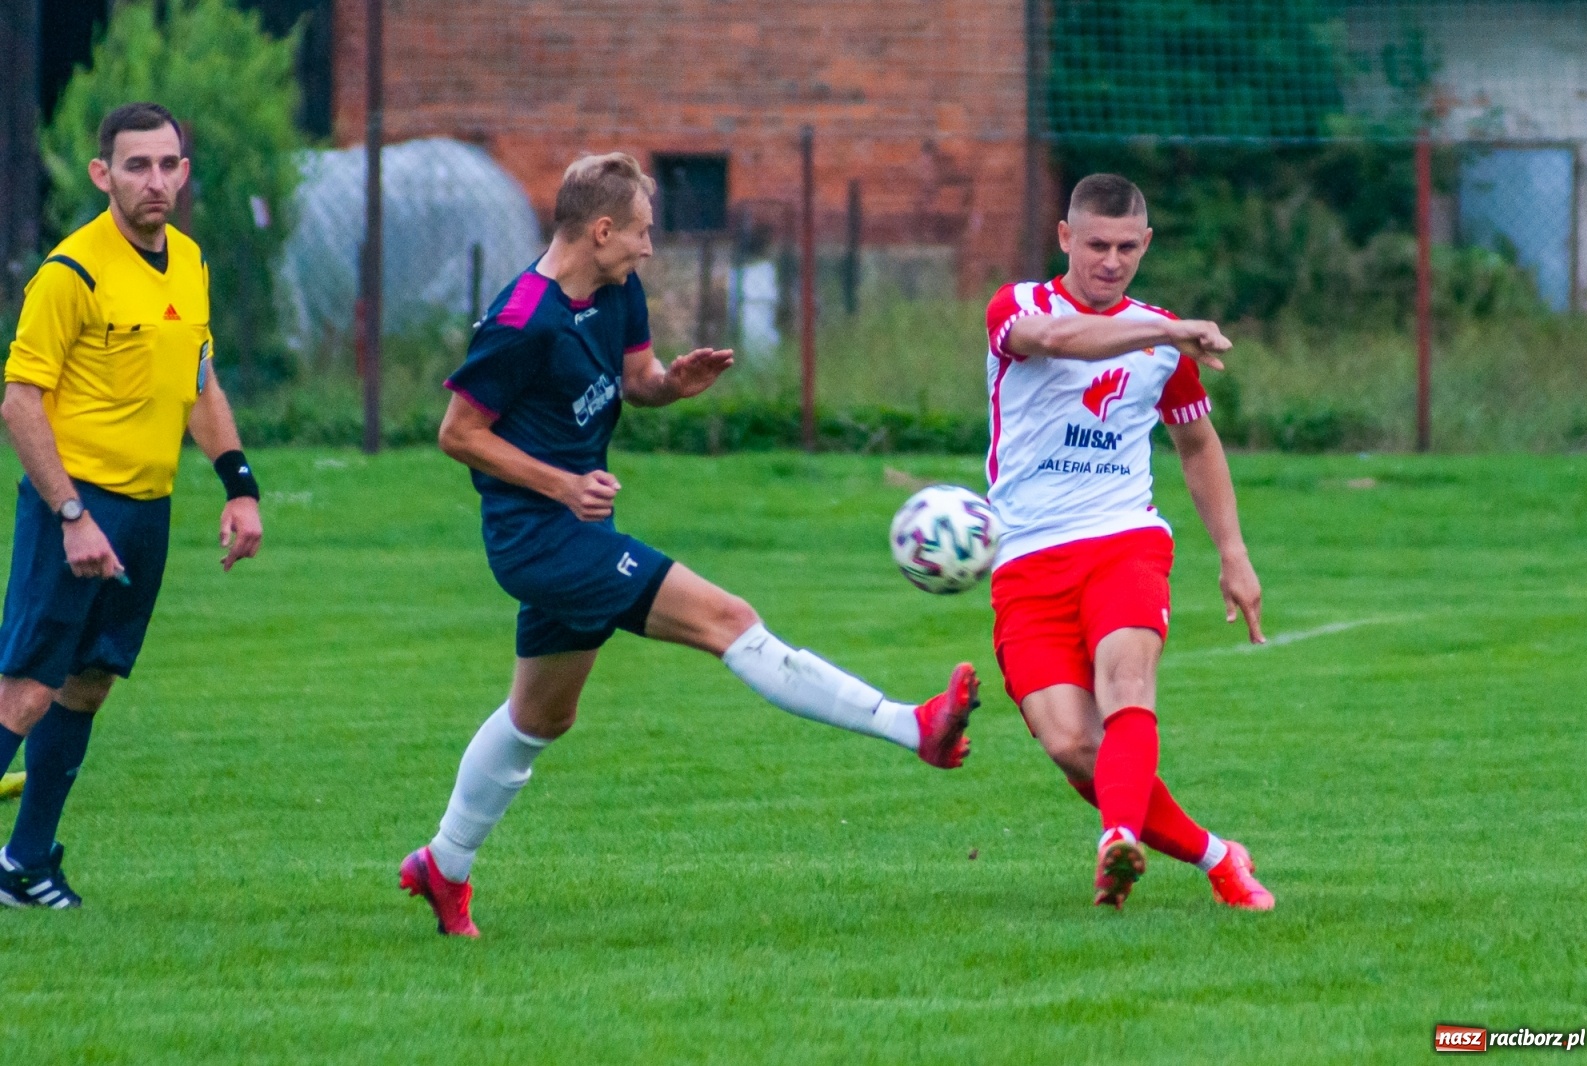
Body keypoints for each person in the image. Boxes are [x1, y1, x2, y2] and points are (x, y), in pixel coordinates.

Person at [399, 153, 979, 937]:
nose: (650, 247)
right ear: (600, 230)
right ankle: (916, 727)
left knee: (540, 719)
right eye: (641, 232)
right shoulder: (520, 322)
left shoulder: (613, 288)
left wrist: (673, 384)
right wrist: (562, 485)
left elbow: (637, 377)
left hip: (578, 528)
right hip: (538, 538)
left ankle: (443, 866)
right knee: (728, 620)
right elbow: (458, 434)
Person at [984, 173, 1274, 910]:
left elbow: (1198, 445)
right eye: (1094, 246)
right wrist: (1171, 330)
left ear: (1145, 245)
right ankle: (1217, 855)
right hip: (1024, 558)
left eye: (1124, 248)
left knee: (1126, 687)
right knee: (1071, 743)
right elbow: (1060, 341)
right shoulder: (1020, 307)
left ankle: (1118, 839)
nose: (1109, 262)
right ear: (1064, 239)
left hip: (1124, 541)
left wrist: (1233, 555)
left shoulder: (1160, 342)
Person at [0, 103, 263, 909]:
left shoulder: (187, 262)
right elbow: (19, 402)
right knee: (26, 690)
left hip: (148, 511)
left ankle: (25, 864)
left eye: (168, 165)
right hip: (74, 510)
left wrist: (240, 486)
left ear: (185, 172)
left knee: (88, 683)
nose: (155, 181)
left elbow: (198, 385)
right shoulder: (70, 272)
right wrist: (72, 515)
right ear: (101, 174)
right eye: (136, 165)